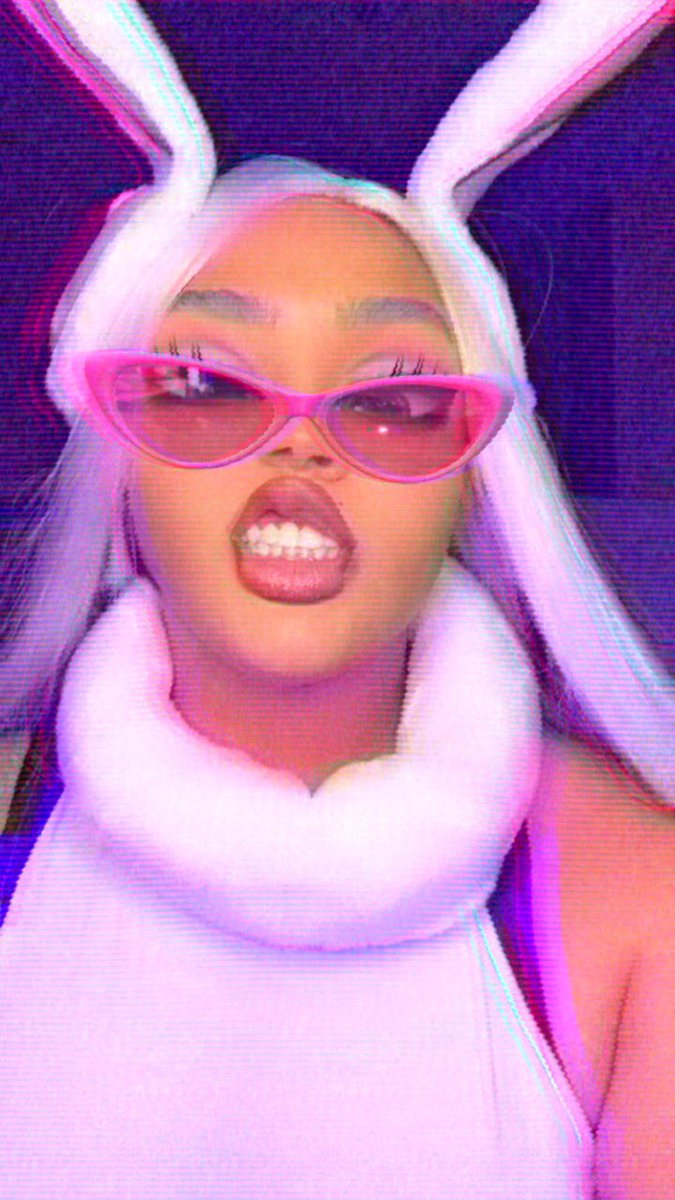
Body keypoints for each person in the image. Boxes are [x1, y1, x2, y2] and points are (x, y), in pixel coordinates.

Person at [0, 2, 673, 1198]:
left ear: (478, 477)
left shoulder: (632, 903)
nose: (300, 447)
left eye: (394, 401)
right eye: (207, 384)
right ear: (120, 455)